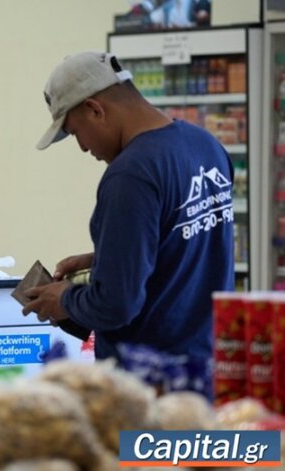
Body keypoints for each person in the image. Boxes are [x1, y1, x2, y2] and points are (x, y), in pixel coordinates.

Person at [25, 51, 234, 398]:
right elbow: (185, 239)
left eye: (76, 131)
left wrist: (65, 298)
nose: (82, 147)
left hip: (149, 393)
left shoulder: (130, 174)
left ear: (95, 108)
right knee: (213, 456)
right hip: (207, 378)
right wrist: (106, 254)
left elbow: (116, 304)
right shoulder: (205, 145)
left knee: (145, 457)